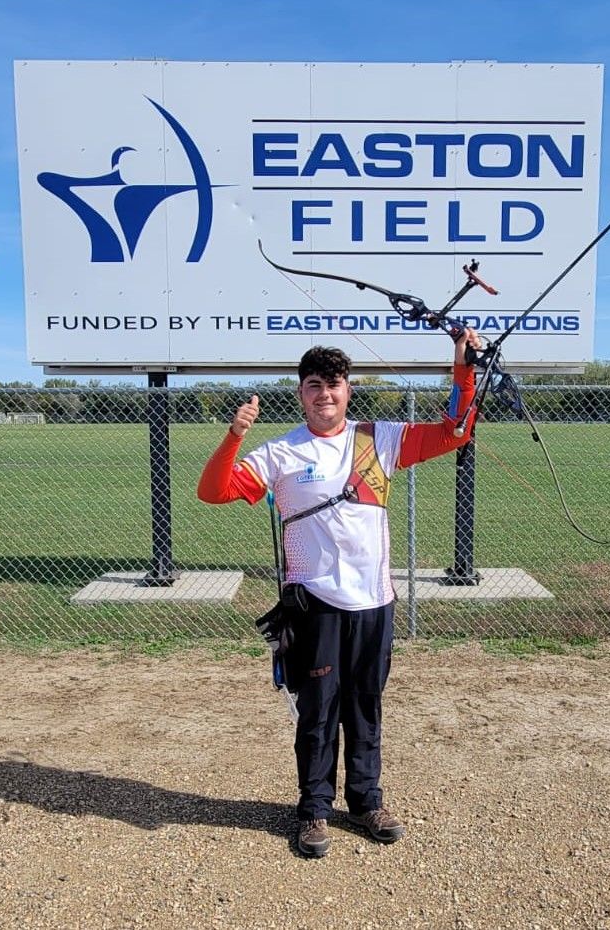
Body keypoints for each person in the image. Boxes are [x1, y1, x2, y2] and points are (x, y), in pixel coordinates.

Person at [197, 327, 481, 858]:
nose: (324, 393)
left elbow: (454, 432)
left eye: (333, 383)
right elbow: (213, 491)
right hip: (316, 605)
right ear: (300, 393)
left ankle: (366, 800)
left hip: (375, 601)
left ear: (348, 389)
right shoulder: (280, 452)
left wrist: (462, 370)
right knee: (319, 711)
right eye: (313, 385)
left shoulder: (381, 438)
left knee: (365, 705)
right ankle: (313, 811)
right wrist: (234, 436)